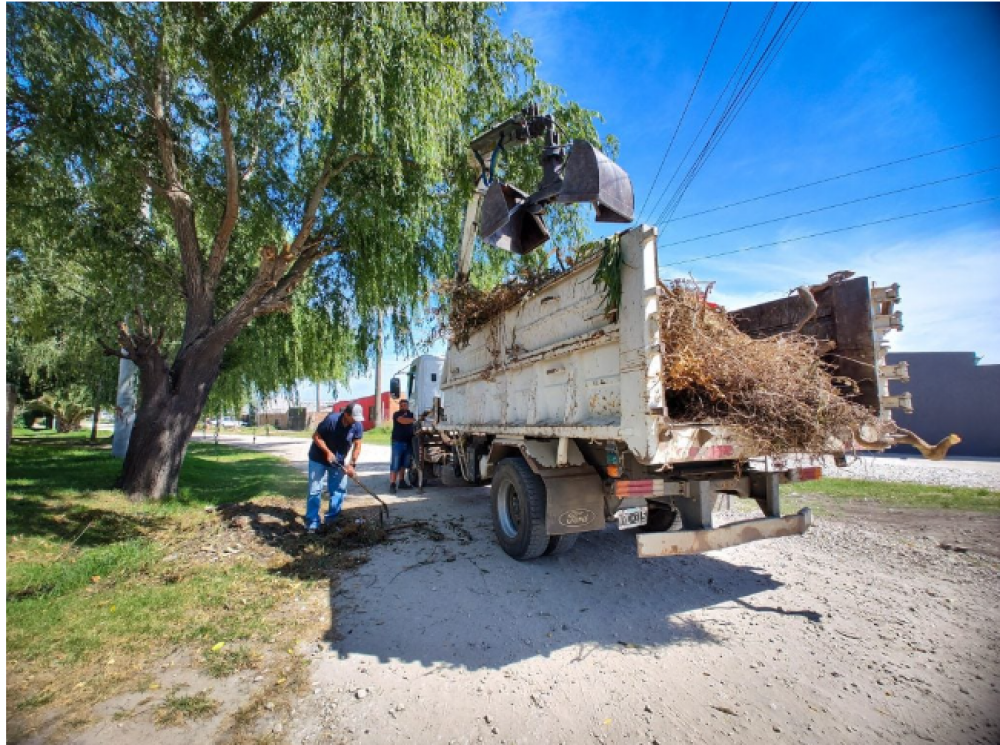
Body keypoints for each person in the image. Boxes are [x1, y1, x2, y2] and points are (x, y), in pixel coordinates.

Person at [306, 402, 364, 534]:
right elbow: (316, 436)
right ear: (346, 414)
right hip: (318, 458)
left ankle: (332, 521)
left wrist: (351, 465)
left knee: (339, 490)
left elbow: (357, 446)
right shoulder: (331, 420)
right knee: (315, 490)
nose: (356, 421)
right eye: (353, 417)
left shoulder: (357, 425)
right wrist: (327, 452)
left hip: (338, 460)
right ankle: (312, 523)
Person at [389, 399, 416, 494]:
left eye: (405, 405)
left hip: (408, 442)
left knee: (404, 463)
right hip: (397, 442)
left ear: (408, 406)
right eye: (401, 405)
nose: (403, 407)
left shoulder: (411, 414)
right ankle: (392, 484)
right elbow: (402, 421)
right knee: (395, 464)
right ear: (399, 406)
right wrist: (413, 420)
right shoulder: (397, 414)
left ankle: (401, 481)